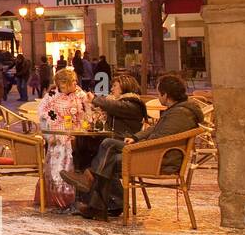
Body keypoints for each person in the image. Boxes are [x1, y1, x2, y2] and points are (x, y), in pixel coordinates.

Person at [65, 73, 204, 220]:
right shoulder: (178, 110)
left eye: (159, 93)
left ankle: (93, 187)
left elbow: (158, 138)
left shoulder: (179, 114)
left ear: (166, 94)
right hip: (154, 153)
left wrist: (137, 145)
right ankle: (97, 199)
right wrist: (135, 138)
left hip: (159, 159)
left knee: (107, 156)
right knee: (106, 149)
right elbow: (155, 129)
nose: (158, 97)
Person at [37, 67, 93, 211]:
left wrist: (85, 117)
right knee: (59, 158)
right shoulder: (52, 94)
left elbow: (87, 110)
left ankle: (77, 195)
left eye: (75, 81)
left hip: (76, 132)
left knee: (75, 154)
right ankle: (60, 194)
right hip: (58, 133)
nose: (75, 84)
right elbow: (43, 110)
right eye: (71, 82)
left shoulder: (79, 93)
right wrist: (56, 121)